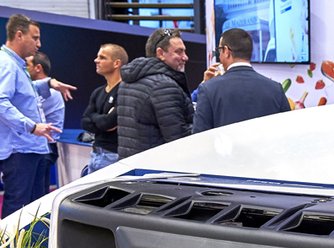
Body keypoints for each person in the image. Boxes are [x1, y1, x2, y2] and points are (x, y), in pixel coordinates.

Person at [0, 14, 76, 218]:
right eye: (35, 38)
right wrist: (32, 126)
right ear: (19, 35)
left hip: (28, 148)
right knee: (18, 211)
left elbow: (23, 92)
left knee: (32, 209)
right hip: (20, 149)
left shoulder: (15, 63)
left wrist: (48, 83)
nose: (39, 44)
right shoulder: (6, 64)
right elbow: (1, 102)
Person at [193, 29, 290, 133]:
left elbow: (199, 135)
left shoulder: (208, 89)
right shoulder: (276, 89)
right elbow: (288, 132)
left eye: (219, 50)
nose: (219, 55)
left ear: (226, 51)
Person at [117, 28, 193, 159]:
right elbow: (178, 139)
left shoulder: (127, 82)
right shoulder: (164, 85)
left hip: (131, 164)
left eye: (184, 51)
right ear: (160, 53)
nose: (185, 57)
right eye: (178, 52)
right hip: (156, 165)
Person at [81, 44, 128, 174]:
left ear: (116, 63)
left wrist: (94, 117)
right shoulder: (97, 92)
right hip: (95, 154)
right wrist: (102, 119)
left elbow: (108, 123)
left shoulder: (125, 91)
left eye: (102, 57)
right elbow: (85, 122)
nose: (96, 60)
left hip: (114, 156)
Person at [26, 51, 64, 194]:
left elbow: (27, 113)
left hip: (45, 148)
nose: (23, 69)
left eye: (27, 65)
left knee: (37, 194)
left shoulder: (50, 92)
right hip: (40, 147)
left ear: (38, 68)